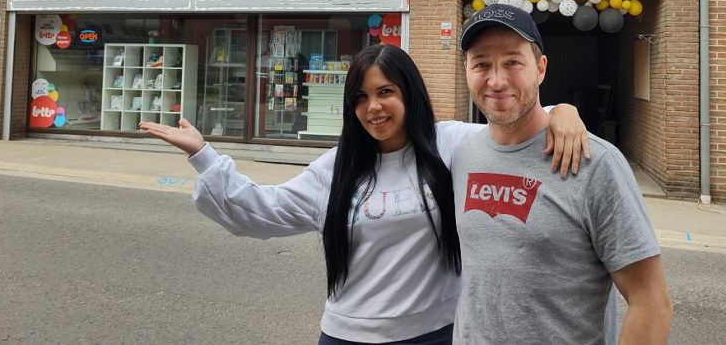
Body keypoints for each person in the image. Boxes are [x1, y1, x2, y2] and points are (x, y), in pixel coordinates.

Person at [140, 43, 588, 344]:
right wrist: (203, 155)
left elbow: (513, 129)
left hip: (437, 332)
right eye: (360, 97)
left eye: (386, 92)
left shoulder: (451, 144)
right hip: (347, 337)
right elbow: (261, 211)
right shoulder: (335, 169)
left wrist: (563, 111)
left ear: (409, 94)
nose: (373, 108)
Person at [453, 4, 673, 344]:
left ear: (540, 68)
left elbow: (652, 301)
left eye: (513, 62)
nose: (496, 80)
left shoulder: (595, 163)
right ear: (466, 71)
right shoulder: (463, 155)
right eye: (482, 64)